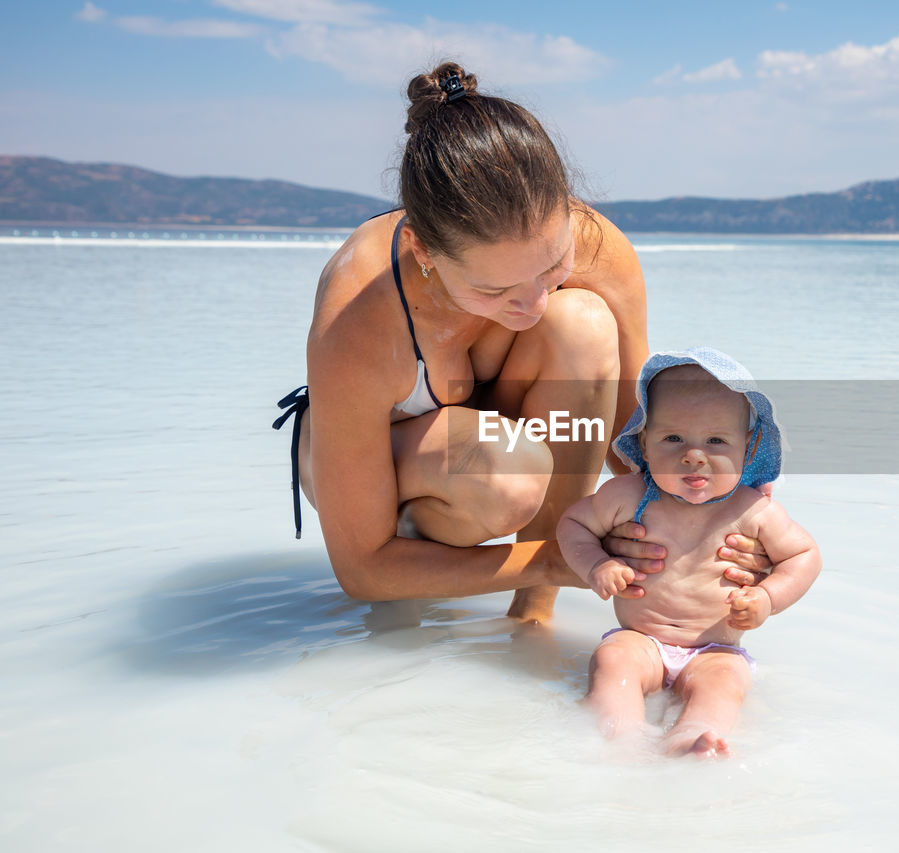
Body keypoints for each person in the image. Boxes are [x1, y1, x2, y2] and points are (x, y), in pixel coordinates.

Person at [273, 62, 770, 623]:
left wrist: (721, 518)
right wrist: (557, 560)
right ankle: (436, 579)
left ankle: (532, 615)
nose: (534, 305)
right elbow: (360, 572)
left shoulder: (600, 249)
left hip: (503, 452)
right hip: (385, 476)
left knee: (581, 321)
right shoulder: (358, 317)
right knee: (505, 476)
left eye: (553, 267)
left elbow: (634, 444)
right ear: (422, 250)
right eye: (495, 289)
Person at [557, 348, 821, 757]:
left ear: (748, 450)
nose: (693, 456)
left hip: (716, 649)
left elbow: (804, 555)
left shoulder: (752, 511)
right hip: (640, 637)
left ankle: (694, 736)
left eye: (716, 440)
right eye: (673, 438)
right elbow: (573, 524)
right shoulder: (628, 496)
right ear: (644, 444)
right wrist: (597, 564)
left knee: (723, 684)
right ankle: (618, 735)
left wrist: (769, 597)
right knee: (613, 662)